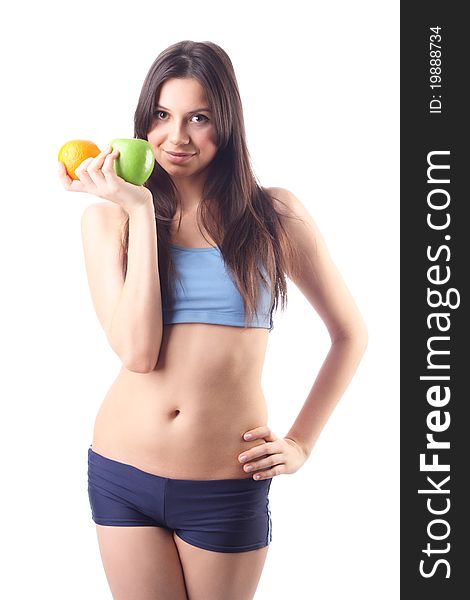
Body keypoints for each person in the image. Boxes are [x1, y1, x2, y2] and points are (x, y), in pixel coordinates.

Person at [58, 40, 368, 600]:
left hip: (226, 484)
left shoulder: (274, 217)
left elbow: (350, 335)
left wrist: (300, 443)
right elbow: (137, 353)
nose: (176, 137)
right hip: (122, 470)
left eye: (198, 118)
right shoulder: (109, 224)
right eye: (162, 115)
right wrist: (139, 212)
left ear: (226, 124)